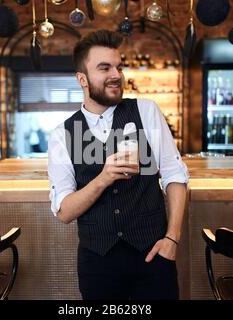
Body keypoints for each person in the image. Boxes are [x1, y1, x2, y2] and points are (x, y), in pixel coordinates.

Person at [48, 29, 189, 300]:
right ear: (82, 79)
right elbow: (64, 212)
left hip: (152, 256)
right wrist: (102, 178)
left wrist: (172, 239)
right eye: (104, 68)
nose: (116, 75)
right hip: (98, 264)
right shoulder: (63, 135)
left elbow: (174, 176)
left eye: (119, 67)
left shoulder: (146, 111)